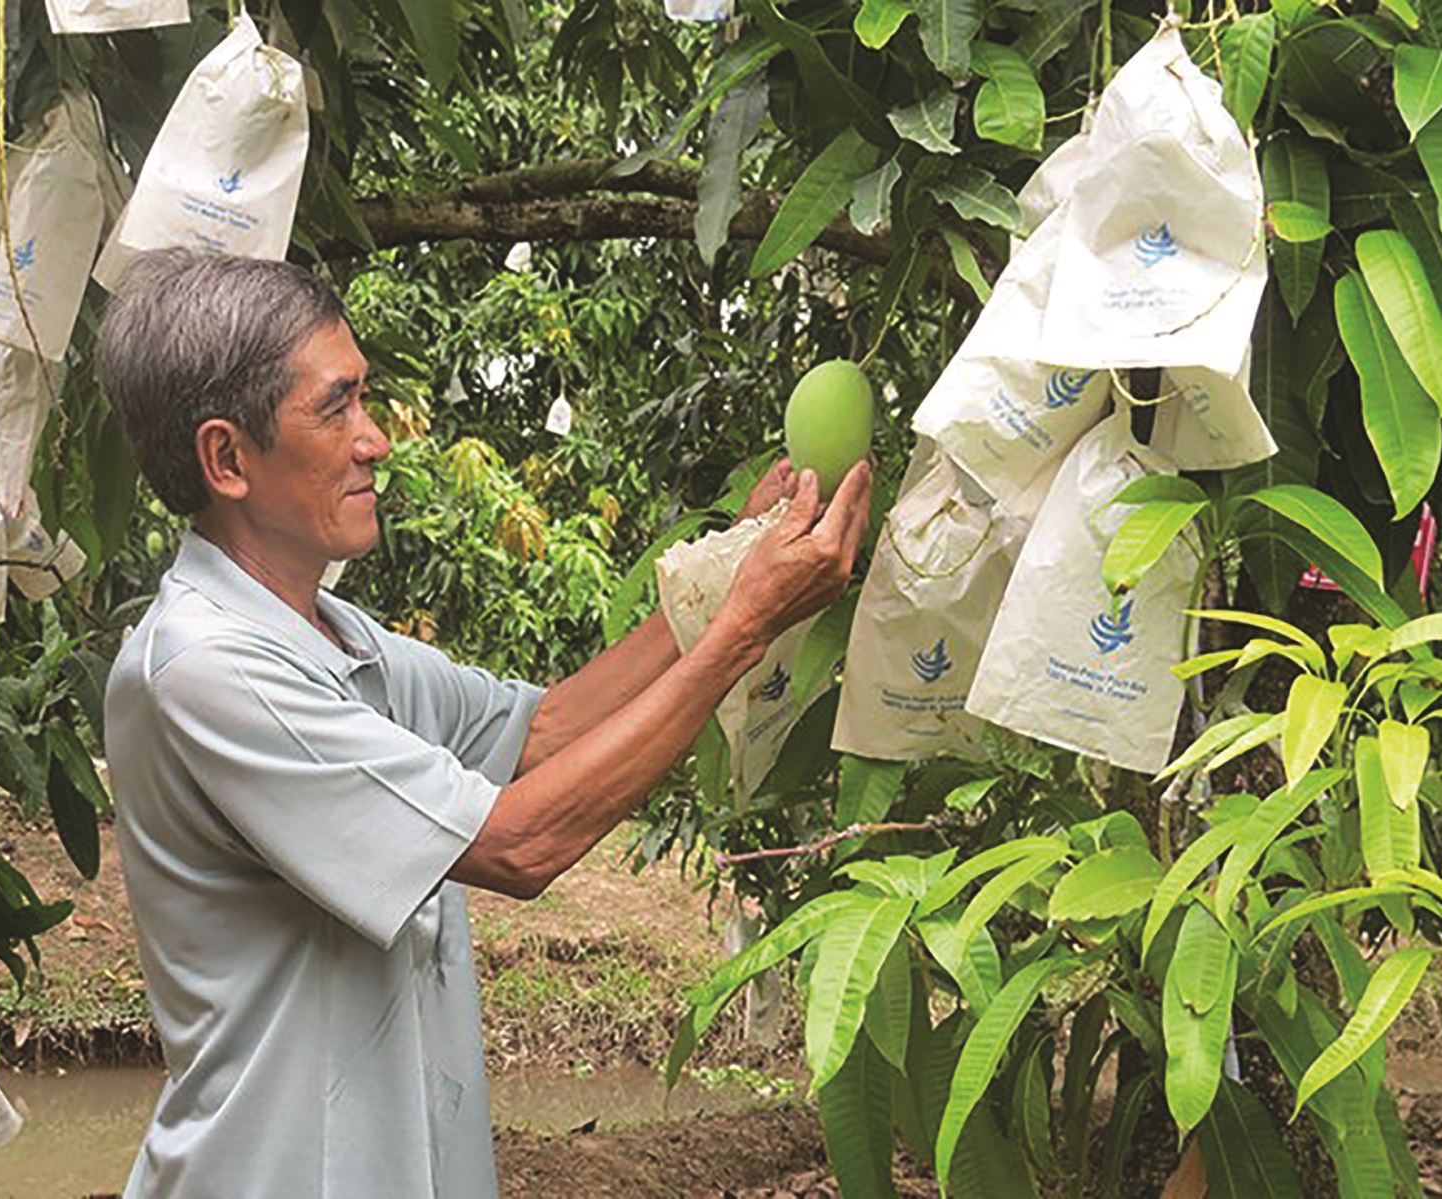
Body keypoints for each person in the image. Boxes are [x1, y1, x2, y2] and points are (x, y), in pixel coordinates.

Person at [96, 248, 871, 1198]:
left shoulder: (336, 638)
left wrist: (730, 577)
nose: (375, 439)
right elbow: (518, 842)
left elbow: (541, 729)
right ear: (226, 458)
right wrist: (744, 628)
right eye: (335, 407)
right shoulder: (206, 667)